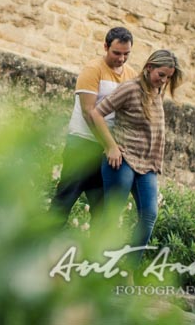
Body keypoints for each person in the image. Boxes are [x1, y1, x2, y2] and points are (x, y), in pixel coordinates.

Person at [88, 49, 183, 272]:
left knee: (149, 215)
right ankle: (94, 266)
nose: (164, 80)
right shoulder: (130, 88)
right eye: (161, 74)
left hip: (147, 165)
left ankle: (127, 271)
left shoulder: (157, 91)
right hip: (122, 161)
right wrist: (110, 146)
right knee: (112, 215)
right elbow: (96, 113)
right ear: (149, 67)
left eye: (168, 77)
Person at [49, 27, 137, 226]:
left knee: (102, 212)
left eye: (126, 54)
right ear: (105, 47)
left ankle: (92, 256)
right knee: (64, 200)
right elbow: (89, 112)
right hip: (82, 143)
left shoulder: (131, 75)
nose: (121, 59)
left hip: (108, 153)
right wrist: (110, 146)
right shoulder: (93, 69)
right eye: (116, 53)